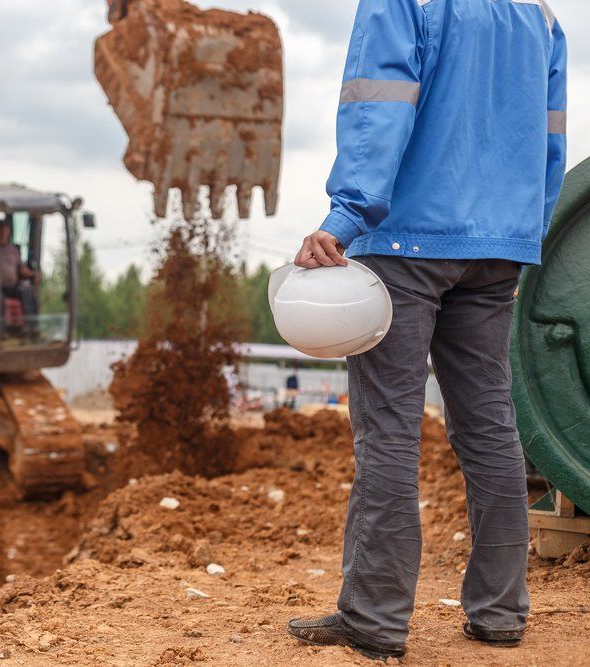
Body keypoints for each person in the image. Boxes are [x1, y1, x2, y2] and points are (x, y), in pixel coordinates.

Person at [286, 0, 566, 661]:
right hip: (499, 243)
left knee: (389, 428)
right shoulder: (541, 16)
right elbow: (551, 136)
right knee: (490, 426)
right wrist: (529, 232)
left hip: (408, 239)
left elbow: (378, 103)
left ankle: (374, 619)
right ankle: (500, 612)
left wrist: (345, 215)